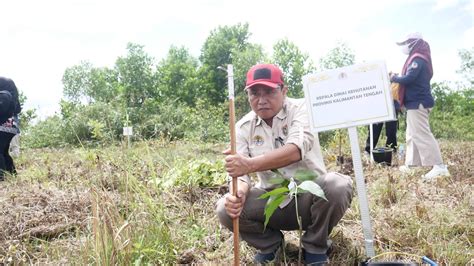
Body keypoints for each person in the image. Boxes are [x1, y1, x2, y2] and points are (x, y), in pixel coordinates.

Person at [216, 64, 353, 264]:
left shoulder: (302, 109)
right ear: (248, 95)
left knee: (338, 186)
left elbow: (295, 150)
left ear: (284, 91)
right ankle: (271, 245)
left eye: (270, 92)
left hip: (311, 197)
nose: (261, 100)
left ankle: (314, 246)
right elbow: (241, 174)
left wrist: (250, 165)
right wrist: (239, 193)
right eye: (254, 93)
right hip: (273, 200)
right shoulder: (243, 127)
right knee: (224, 209)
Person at [391, 33, 450, 181]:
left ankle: (439, 166)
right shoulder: (417, 57)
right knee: (411, 134)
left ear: (413, 43)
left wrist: (393, 78)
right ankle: (412, 164)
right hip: (414, 103)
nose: (402, 46)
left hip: (418, 103)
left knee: (422, 134)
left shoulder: (418, 59)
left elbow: (410, 78)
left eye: (404, 43)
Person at [365, 80, 401, 154]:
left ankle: (391, 152)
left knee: (391, 131)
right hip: (378, 103)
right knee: (374, 129)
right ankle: (368, 151)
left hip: (392, 104)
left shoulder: (395, 79)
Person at [0, 77, 21, 180]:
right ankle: (13, 175)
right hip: (12, 124)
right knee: (3, 151)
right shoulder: (8, 84)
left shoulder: (3, 86)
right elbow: (18, 109)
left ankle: (1, 178)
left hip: (3, 125)